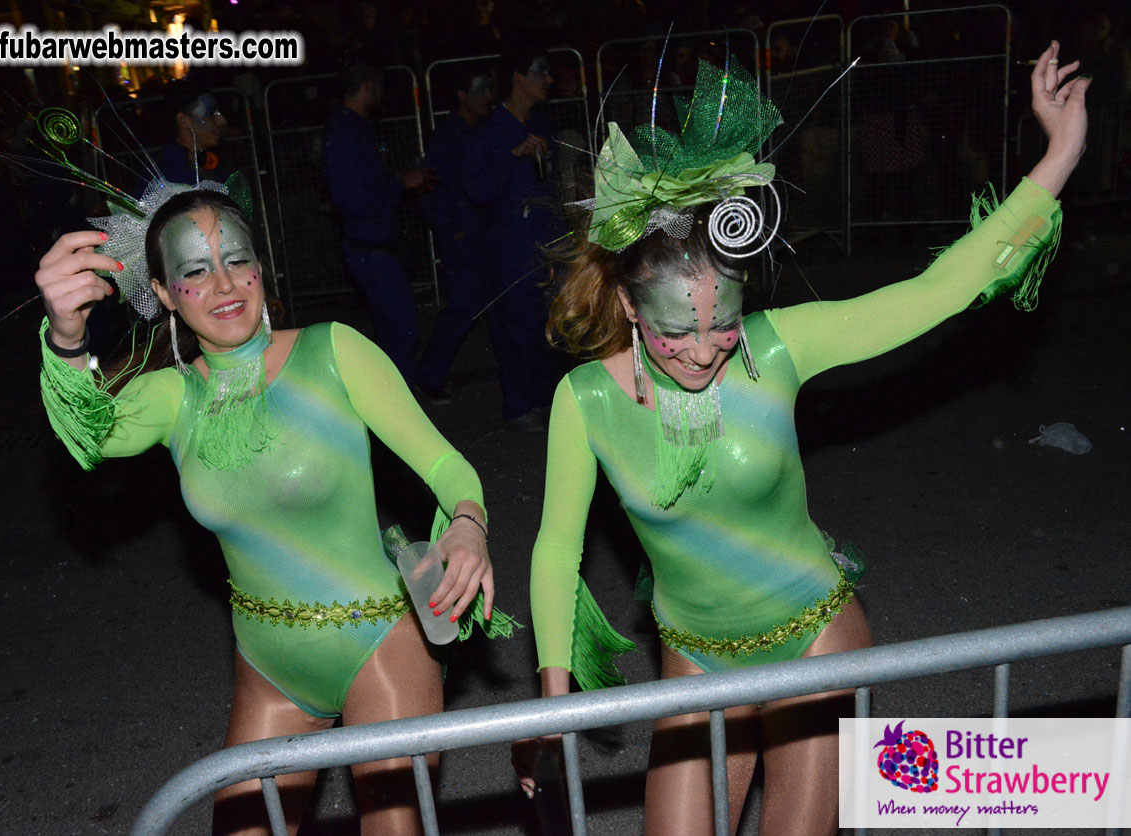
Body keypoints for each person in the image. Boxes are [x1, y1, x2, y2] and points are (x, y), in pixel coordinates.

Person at [516, 42, 1087, 835]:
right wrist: (550, 696)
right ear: (627, 303)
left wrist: (1059, 153)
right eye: (677, 330)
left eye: (720, 323)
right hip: (692, 654)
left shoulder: (776, 348)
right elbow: (555, 549)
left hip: (809, 638)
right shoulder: (581, 400)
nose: (704, 347)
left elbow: (935, 292)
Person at [35, 173, 509, 834]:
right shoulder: (172, 399)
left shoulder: (333, 351)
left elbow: (445, 464)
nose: (225, 285)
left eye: (237, 261)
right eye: (196, 272)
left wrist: (466, 525)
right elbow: (88, 437)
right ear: (167, 295)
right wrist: (64, 333)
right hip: (268, 664)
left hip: (380, 641)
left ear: (260, 268)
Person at [464, 43, 563, 431]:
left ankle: (544, 401)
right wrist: (513, 156)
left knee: (547, 328)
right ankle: (519, 406)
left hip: (543, 242)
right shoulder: (489, 133)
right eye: (540, 71)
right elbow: (476, 190)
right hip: (508, 249)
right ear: (518, 78)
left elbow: (548, 185)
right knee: (516, 329)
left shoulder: (542, 124)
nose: (549, 79)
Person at [322, 58, 436, 384]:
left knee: (393, 333)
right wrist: (401, 184)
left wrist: (400, 183)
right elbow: (356, 200)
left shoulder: (352, 128)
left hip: (373, 246)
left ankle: (390, 409)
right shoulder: (347, 132)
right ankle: (396, 411)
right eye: (379, 87)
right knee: (403, 331)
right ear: (368, 87)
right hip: (369, 248)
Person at [414, 66, 497, 404]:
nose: (488, 98)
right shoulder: (449, 137)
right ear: (462, 95)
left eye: (491, 91)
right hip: (464, 237)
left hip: (480, 233)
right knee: (463, 307)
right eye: (481, 90)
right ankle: (428, 375)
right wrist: (453, 232)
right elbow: (431, 190)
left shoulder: (476, 131)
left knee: (481, 305)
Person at [157, 81, 230, 186]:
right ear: (183, 120)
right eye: (210, 114)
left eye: (218, 112)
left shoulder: (212, 165)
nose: (222, 121)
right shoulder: (167, 176)